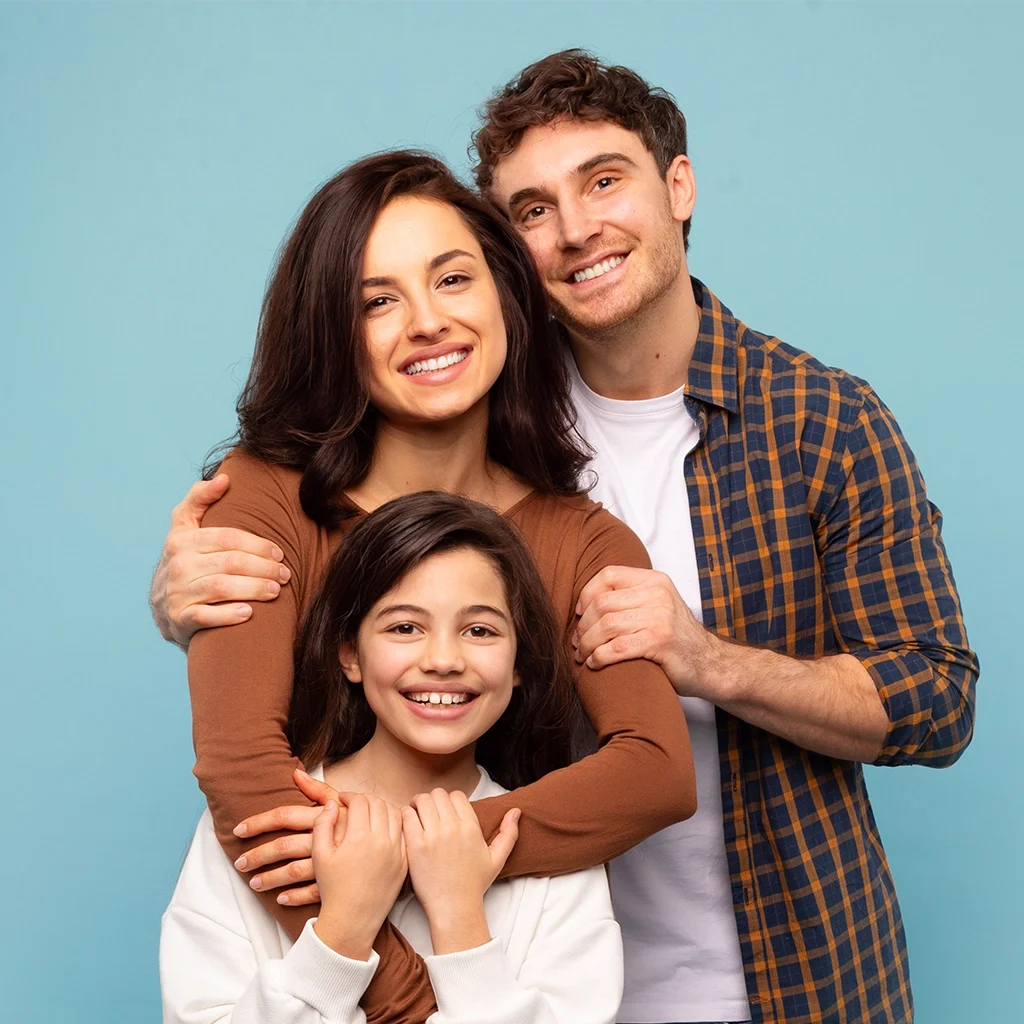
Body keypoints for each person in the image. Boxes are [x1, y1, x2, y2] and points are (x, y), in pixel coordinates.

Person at [152, 51, 979, 1024]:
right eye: (534, 208)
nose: (577, 227)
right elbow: (246, 768)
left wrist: (706, 663)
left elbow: (920, 699)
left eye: (602, 180)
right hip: (465, 976)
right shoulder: (310, 477)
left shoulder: (800, 430)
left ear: (677, 185)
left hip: (768, 970)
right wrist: (183, 605)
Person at [159, 147, 695, 1019]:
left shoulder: (586, 542)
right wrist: (405, 999)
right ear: (334, 331)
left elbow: (655, 773)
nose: (427, 322)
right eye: (377, 301)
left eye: (453, 279)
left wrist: (427, 851)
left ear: (506, 298)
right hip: (285, 955)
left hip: (515, 943)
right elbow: (243, 774)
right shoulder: (259, 498)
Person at [161, 491, 624, 1023]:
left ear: (520, 660)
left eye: (480, 630)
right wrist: (343, 930)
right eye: (405, 627)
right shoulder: (263, 830)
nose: (444, 660)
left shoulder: (554, 853)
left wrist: (459, 919)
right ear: (350, 654)